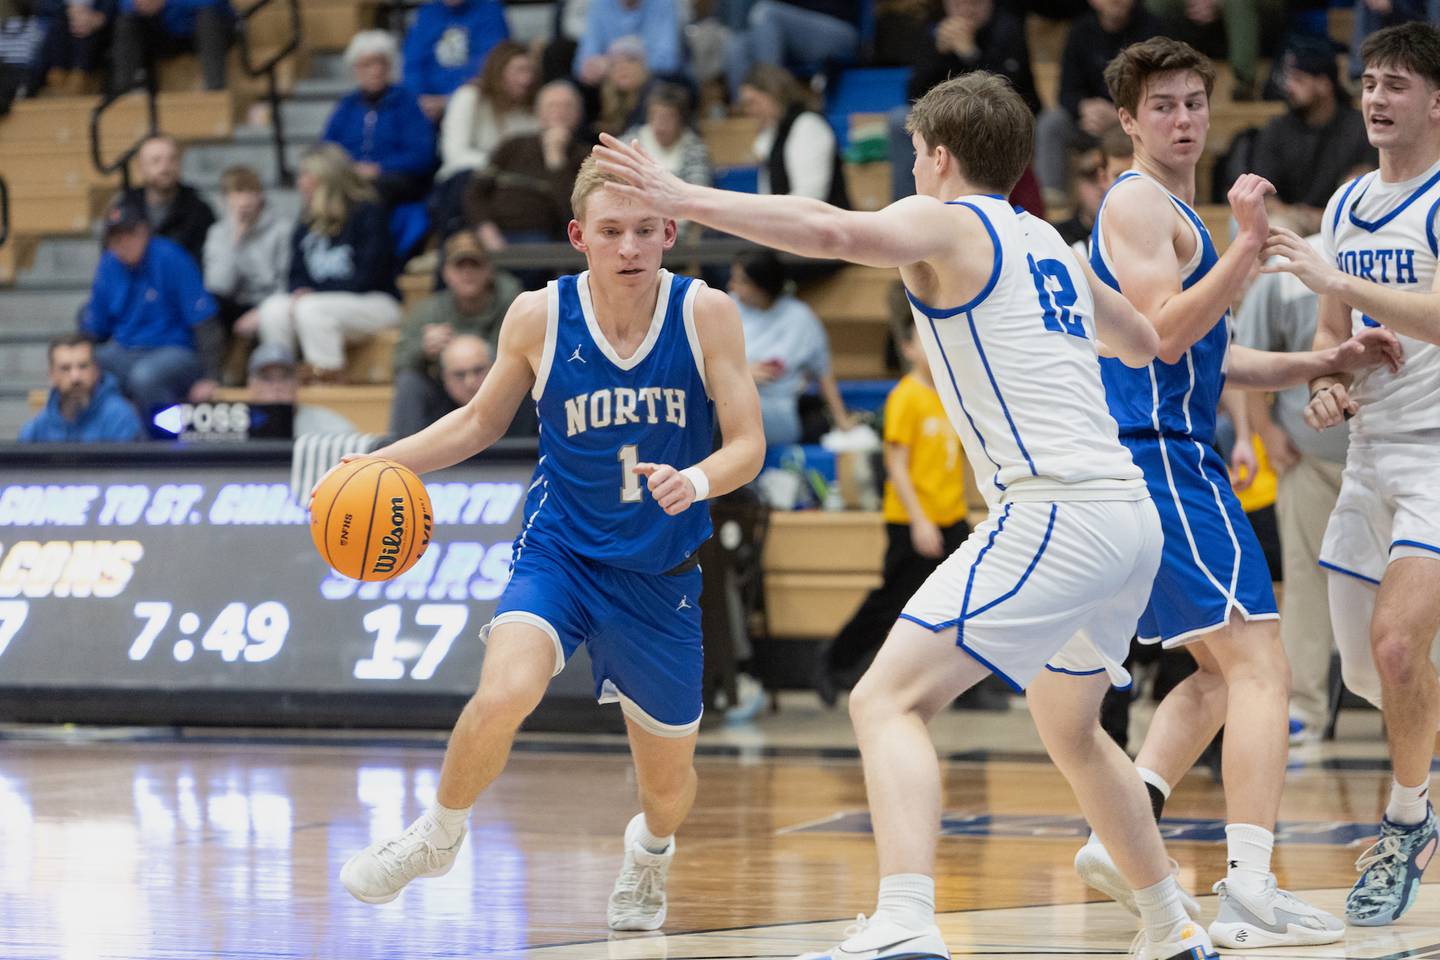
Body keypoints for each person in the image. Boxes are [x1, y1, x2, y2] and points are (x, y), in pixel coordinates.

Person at [597, 71, 1213, 960]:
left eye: (917, 155)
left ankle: (905, 921)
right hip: (1127, 517)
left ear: (938, 156)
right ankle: (1167, 925)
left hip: (1056, 510)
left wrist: (683, 196)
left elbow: (831, 230)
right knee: (1072, 731)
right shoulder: (1049, 240)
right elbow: (1143, 341)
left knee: (885, 700)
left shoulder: (950, 220)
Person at [336, 156, 765, 934]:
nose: (629, 246)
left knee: (666, 788)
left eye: (644, 230)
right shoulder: (539, 316)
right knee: (504, 691)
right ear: (579, 238)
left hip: (660, 573)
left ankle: (649, 855)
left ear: (670, 231)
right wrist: (381, 460)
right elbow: (476, 423)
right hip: (560, 553)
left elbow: (749, 445)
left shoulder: (707, 314)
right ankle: (437, 835)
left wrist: (698, 480)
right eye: (611, 231)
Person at [1072, 36, 1398, 947]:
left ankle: (1121, 826)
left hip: (1165, 453)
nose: (1182, 119)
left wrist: (1320, 360)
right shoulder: (1139, 204)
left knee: (1217, 676)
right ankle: (1250, 880)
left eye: (1193, 102)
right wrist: (1250, 246)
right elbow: (1168, 336)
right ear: (1129, 121)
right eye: (1162, 106)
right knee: (1264, 667)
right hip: (1162, 459)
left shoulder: (1172, 208)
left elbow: (1211, 355)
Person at [1260, 21, 1440, 927]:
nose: (1375, 98)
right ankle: (1424, 783)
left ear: (1437, 101)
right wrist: (1328, 389)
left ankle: (1406, 825)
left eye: (1396, 84)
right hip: (1368, 456)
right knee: (1374, 675)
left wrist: (1342, 280)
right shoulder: (1346, 204)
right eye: (1368, 81)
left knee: (1401, 649)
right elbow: (1335, 346)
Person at [816, 318, 969, 707]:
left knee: (967, 602)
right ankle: (836, 660)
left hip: (952, 516)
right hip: (912, 520)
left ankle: (969, 689)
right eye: (925, 340)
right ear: (908, 349)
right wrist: (919, 520)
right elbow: (896, 465)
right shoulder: (906, 397)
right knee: (892, 601)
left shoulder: (952, 395)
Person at [1233, 233, 1348, 744]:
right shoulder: (1286, 270)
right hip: (1310, 455)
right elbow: (1251, 355)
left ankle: (1422, 711)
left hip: (1404, 451)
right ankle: (1304, 705)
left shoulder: (1409, 254)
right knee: (1307, 578)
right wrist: (1265, 429)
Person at [255, 144, 401, 380]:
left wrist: (312, 293)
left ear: (326, 178)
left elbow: (367, 277)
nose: (300, 184)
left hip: (375, 301)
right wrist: (301, 291)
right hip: (324, 301)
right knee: (272, 309)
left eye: (305, 175)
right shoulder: (307, 221)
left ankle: (326, 385)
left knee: (311, 309)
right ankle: (280, 385)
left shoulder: (368, 213)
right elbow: (295, 274)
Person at [81, 197, 222, 417]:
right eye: (116, 237)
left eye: (129, 234)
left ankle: (164, 444)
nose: (123, 243)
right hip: (124, 350)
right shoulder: (108, 264)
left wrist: (211, 377)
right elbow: (93, 328)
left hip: (174, 351)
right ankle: (104, 440)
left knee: (144, 376)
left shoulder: (171, 257)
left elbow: (205, 323)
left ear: (144, 231)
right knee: (80, 369)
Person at [390, 231, 524, 435]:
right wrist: (424, 349)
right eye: (459, 266)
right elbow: (399, 362)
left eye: (475, 265)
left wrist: (467, 354)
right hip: (445, 394)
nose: (467, 273)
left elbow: (524, 353)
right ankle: (398, 457)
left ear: (489, 270)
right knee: (409, 383)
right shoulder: (429, 310)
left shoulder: (512, 303)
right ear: (446, 273)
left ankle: (524, 453)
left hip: (499, 390)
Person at [1033, 0, 1161, 199]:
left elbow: (1157, 92)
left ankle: (1149, 195)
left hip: (1132, 122)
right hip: (1088, 123)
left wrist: (1119, 114)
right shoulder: (1080, 30)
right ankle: (1051, 198)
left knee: (1158, 125)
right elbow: (1066, 93)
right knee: (1052, 123)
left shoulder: (1152, 29)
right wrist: (1084, 108)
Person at [1252, 35, 1377, 238]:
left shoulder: (1359, 127)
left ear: (1324, 84)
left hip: (1343, 225)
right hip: (1292, 222)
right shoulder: (1277, 128)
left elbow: (1361, 191)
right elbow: (1263, 195)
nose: (1289, 87)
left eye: (1299, 79)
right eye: (1289, 78)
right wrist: (1297, 216)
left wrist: (1324, 217)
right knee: (1275, 227)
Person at [728, 250, 850, 446]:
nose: (731, 286)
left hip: (776, 411)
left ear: (762, 286)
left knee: (727, 416)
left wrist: (842, 421)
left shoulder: (800, 318)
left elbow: (823, 373)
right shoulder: (725, 307)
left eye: (740, 281)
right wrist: (741, 375)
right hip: (726, 398)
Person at [462, 79, 591, 250]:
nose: (560, 112)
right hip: (493, 231)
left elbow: (570, 214)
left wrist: (556, 160)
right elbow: (475, 194)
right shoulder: (513, 145)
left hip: (542, 237)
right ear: (539, 113)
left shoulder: (586, 156)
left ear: (578, 114)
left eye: (567, 106)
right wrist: (486, 229)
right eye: (552, 106)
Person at [322, 31, 437, 208]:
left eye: (381, 62)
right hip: (351, 175)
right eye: (367, 64)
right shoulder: (347, 105)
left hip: (398, 179)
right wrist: (349, 170)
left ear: (390, 66)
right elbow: (327, 147)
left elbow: (421, 155)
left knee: (371, 192)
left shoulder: (406, 102)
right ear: (356, 69)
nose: (376, 70)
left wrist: (378, 168)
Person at [203, 164, 290, 352]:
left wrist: (259, 313)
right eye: (236, 193)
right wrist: (235, 240)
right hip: (234, 304)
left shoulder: (281, 230)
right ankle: (212, 376)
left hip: (268, 301)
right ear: (224, 200)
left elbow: (285, 282)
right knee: (207, 307)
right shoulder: (218, 233)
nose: (244, 201)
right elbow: (218, 286)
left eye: (251, 192)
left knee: (276, 312)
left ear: (261, 196)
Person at [739, 65, 848, 207]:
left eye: (753, 102)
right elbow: (767, 193)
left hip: (821, 224)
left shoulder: (808, 125)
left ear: (774, 94)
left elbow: (810, 196)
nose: (750, 111)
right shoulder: (773, 132)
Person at [437, 40, 539, 181]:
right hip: (466, 179)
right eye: (519, 70)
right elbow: (454, 154)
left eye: (530, 71)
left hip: (514, 186)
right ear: (498, 71)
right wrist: (501, 166)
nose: (527, 79)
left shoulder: (532, 108)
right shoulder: (470, 97)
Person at [18, 333, 141, 442]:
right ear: (51, 376)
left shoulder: (120, 418)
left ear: (96, 371)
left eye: (83, 366)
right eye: (65, 368)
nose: (75, 377)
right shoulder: (37, 429)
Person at [401, 0, 510, 122]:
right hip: (427, 108)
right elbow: (412, 64)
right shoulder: (426, 13)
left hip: (474, 105)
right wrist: (420, 98)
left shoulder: (489, 10)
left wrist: (451, 100)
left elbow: (493, 63)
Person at [724, 0, 859, 96]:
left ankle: (770, 96)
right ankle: (746, 110)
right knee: (737, 43)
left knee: (765, 12)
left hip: (838, 28)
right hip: (790, 28)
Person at [120, 134, 216, 267]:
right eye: (156, 161)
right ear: (141, 168)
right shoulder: (124, 208)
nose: (165, 167)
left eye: (172, 159)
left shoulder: (199, 211)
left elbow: (206, 264)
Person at [111, 0, 230, 92]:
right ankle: (123, 92)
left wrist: (167, 2)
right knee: (127, 21)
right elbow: (123, 5)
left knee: (208, 17)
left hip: (205, 27)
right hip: (165, 31)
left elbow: (214, 2)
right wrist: (137, 3)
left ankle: (215, 90)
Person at [245, 342, 356, 434]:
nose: (276, 386)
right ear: (251, 384)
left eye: (285, 377)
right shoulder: (237, 424)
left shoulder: (329, 425)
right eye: (266, 378)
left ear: (296, 383)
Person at [619, 82, 712, 191]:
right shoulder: (630, 141)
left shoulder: (695, 148)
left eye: (667, 118)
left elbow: (699, 190)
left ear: (681, 119)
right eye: (654, 116)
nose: (660, 124)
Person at [572, 0, 682, 83]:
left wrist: (620, 65)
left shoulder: (662, 3)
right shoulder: (600, 4)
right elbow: (583, 64)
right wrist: (618, 67)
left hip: (651, 81)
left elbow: (668, 61)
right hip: (608, 81)